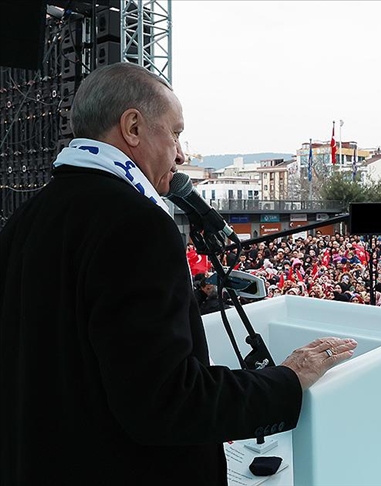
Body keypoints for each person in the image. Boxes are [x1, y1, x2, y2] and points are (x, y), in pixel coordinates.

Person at [0, 63, 358, 484]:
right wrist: (287, 380)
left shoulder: (23, 220)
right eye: (175, 133)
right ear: (132, 126)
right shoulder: (137, 226)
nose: (182, 154)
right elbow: (167, 403)